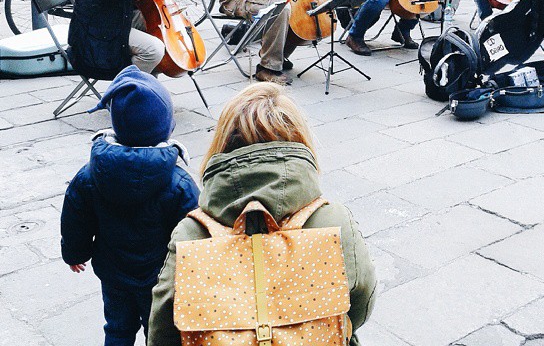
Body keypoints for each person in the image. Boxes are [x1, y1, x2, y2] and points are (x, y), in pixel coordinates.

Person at [147, 83, 377, 346]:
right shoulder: (334, 221)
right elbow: (360, 301)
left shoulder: (192, 233)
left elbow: (163, 328)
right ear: (299, 141)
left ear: (222, 145)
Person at [61, 65, 200, 346]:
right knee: (158, 332)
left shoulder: (89, 175)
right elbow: (193, 234)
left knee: (117, 329)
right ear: (165, 126)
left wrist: (75, 253)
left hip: (113, 273)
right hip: (160, 279)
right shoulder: (180, 183)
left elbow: (76, 216)